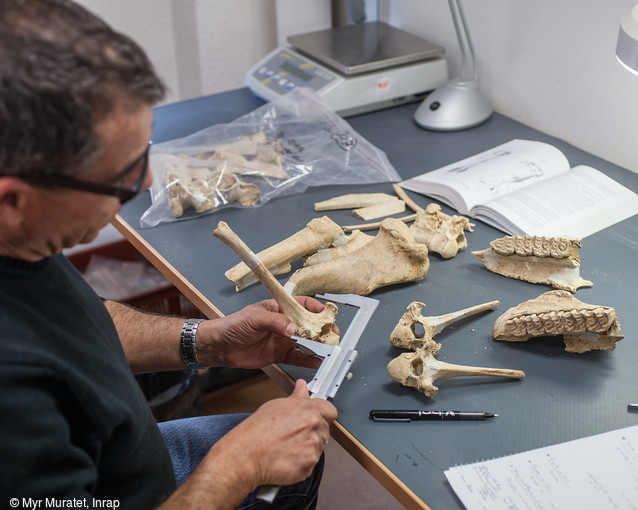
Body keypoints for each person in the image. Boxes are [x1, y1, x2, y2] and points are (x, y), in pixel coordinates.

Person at [0, 1, 337, 509]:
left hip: (119, 458)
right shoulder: (13, 404)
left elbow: (71, 325)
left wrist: (205, 341)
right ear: (12, 201)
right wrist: (239, 466)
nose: (149, 184)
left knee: (297, 467)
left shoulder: (19, 243)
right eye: (124, 176)